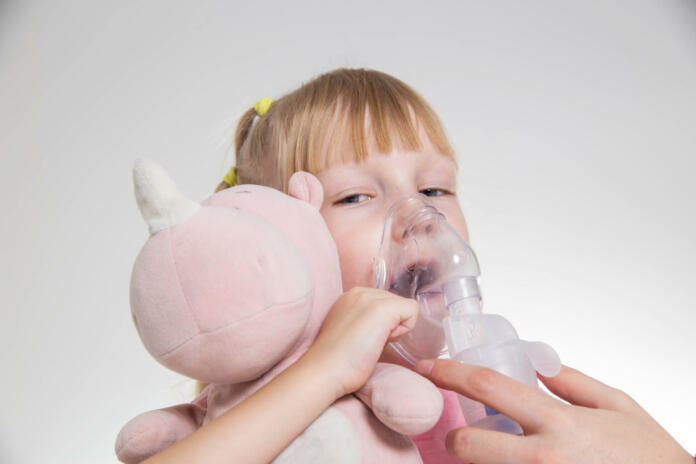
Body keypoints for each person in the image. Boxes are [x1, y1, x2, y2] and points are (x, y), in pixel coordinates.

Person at [140, 68, 693, 463]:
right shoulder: (242, 425)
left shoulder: (475, 410)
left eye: (435, 187)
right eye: (355, 197)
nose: (422, 217)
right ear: (283, 233)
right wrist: (323, 372)